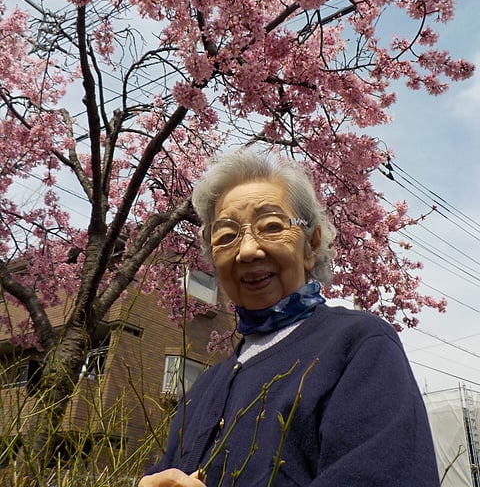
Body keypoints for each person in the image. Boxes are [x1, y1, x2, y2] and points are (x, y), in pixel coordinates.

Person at [139, 150, 440, 487]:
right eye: (226, 237)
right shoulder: (202, 390)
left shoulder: (357, 344)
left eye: (271, 227)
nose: (248, 250)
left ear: (310, 244)